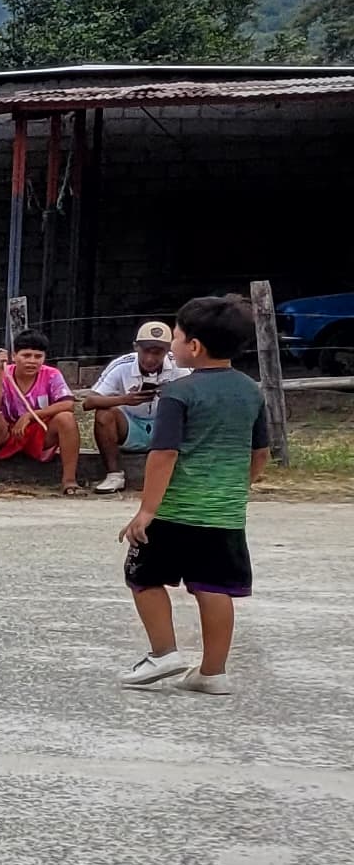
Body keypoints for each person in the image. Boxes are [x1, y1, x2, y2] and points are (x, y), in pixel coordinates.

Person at [117, 297, 269, 695]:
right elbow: (261, 453)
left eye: (177, 337)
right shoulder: (251, 391)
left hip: (174, 511)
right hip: (224, 515)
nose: (174, 345)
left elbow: (164, 454)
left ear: (195, 346)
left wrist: (146, 510)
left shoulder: (178, 392)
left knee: (143, 577)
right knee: (214, 587)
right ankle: (213, 672)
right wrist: (236, 488)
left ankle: (163, 653)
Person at [0, 330, 82, 495]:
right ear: (14, 356)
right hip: (8, 433)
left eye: (38, 356)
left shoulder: (51, 374)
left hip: (40, 431)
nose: (32, 361)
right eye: (26, 355)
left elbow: (68, 404)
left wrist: (30, 416)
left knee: (66, 418)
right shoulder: (2, 373)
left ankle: (70, 480)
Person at [79, 319, 182, 495]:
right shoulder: (122, 365)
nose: (150, 359)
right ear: (136, 347)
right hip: (130, 426)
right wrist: (124, 399)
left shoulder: (179, 365)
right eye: (145, 351)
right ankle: (114, 474)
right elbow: (89, 402)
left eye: (157, 353)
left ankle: (179, 473)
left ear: (168, 350)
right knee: (104, 414)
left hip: (165, 426)